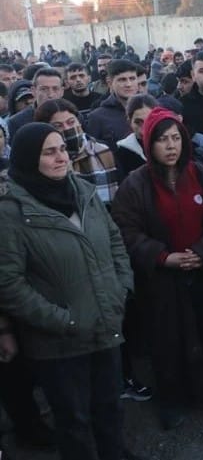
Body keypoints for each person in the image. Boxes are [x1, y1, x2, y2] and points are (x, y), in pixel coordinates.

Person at [0, 122, 133, 460]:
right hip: (58, 341)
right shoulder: (10, 212)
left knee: (110, 407)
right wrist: (63, 320)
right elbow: (9, 283)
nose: (62, 158)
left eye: (62, 149)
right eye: (49, 152)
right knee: (74, 421)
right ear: (28, 159)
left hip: (104, 322)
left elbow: (114, 241)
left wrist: (120, 289)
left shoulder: (82, 190)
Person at [111, 107, 203, 430]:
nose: (171, 146)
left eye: (175, 138)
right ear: (148, 144)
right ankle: (172, 400)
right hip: (161, 278)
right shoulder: (135, 185)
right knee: (166, 340)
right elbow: (126, 231)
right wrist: (161, 257)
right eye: (162, 140)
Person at [34, 99, 121, 206]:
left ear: (78, 121)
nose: (67, 128)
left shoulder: (103, 150)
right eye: (58, 126)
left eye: (71, 122)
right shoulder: (42, 160)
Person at [117, 93, 158, 180]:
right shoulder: (123, 151)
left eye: (149, 121)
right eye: (138, 123)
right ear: (129, 121)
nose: (143, 130)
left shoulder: (171, 145)